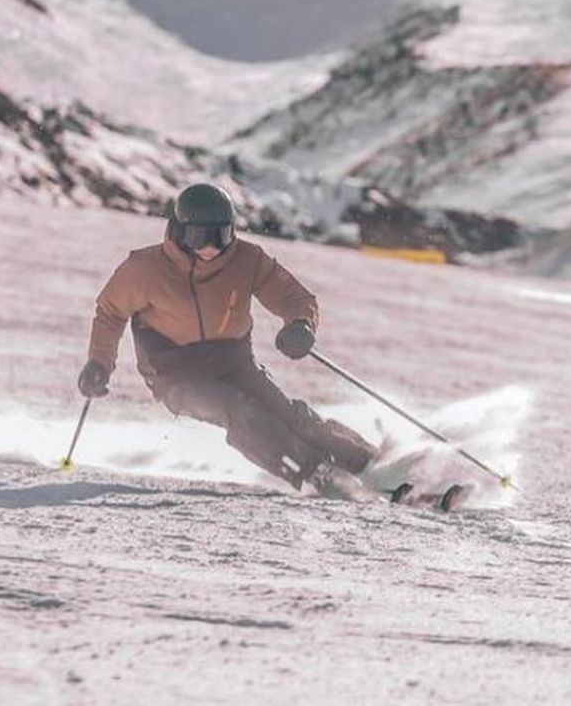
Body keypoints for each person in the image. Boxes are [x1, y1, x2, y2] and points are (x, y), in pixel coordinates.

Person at [76, 182, 378, 491]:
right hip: (175, 375)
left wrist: (301, 325)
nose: (210, 247)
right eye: (199, 237)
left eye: (220, 236)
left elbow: (295, 298)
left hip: (235, 362)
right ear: (178, 231)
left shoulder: (246, 259)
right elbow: (111, 312)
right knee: (240, 411)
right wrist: (99, 364)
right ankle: (315, 473)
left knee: (291, 416)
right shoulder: (145, 269)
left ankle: (369, 463)